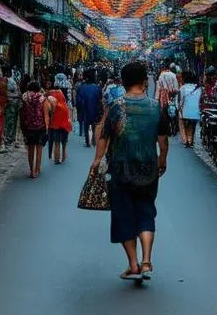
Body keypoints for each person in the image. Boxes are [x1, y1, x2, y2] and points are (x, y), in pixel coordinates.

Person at [90, 61, 169, 281]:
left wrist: (97, 160)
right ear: (145, 80)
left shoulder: (116, 106)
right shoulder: (155, 107)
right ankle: (146, 261)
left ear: (123, 82)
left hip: (121, 169)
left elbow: (104, 136)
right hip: (148, 169)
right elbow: (163, 142)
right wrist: (162, 161)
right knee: (146, 212)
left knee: (124, 215)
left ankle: (133, 265)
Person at [20, 80, 52, 178]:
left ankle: (31, 170)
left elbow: (21, 113)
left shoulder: (24, 97)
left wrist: (22, 126)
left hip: (28, 126)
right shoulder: (43, 98)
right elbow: (46, 114)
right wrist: (47, 127)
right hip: (40, 126)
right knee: (39, 148)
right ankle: (37, 169)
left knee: (30, 148)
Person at [75, 68, 104, 147]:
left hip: (85, 109)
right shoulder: (97, 88)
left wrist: (79, 110)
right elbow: (101, 100)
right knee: (94, 125)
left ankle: (88, 142)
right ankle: (94, 140)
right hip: (95, 109)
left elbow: (78, 101)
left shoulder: (81, 87)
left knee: (86, 125)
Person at [45, 77, 72, 165]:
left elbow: (51, 106)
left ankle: (56, 158)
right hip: (65, 115)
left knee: (56, 140)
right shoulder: (61, 92)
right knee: (64, 139)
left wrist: (51, 115)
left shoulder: (49, 94)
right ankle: (63, 155)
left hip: (57, 117)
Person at [178, 71, 202, 148]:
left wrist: (179, 107)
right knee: (193, 126)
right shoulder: (199, 88)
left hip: (186, 110)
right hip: (196, 111)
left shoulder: (183, 88)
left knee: (186, 125)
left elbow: (181, 100)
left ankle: (188, 141)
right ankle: (191, 140)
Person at [156, 63, 179, 136]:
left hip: (164, 96)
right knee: (175, 110)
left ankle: (168, 129)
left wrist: (156, 98)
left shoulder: (161, 76)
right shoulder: (173, 75)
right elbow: (176, 87)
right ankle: (175, 126)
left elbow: (158, 88)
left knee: (165, 112)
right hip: (172, 94)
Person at [4, 70, 22, 147]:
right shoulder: (12, 81)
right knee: (12, 122)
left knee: (10, 121)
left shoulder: (9, 82)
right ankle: (11, 138)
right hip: (14, 103)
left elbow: (15, 93)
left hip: (11, 103)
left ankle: (9, 138)